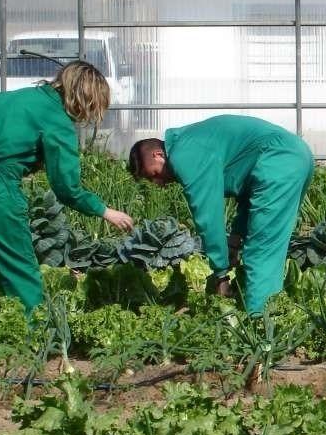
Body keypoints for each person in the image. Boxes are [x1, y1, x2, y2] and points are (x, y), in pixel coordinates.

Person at [0, 61, 134, 311]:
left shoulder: (11, 96)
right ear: (83, 99)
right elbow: (66, 188)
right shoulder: (57, 121)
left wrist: (3, 152)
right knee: (18, 266)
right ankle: (33, 338)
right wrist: (105, 211)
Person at [128, 116, 314, 315]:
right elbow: (249, 191)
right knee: (268, 245)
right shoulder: (191, 142)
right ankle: (267, 315)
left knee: (262, 250)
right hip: (293, 156)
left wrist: (221, 275)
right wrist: (234, 241)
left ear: (158, 155)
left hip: (280, 160)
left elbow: (209, 217)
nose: (159, 183)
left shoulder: (185, 156)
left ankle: (261, 328)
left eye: (153, 175)